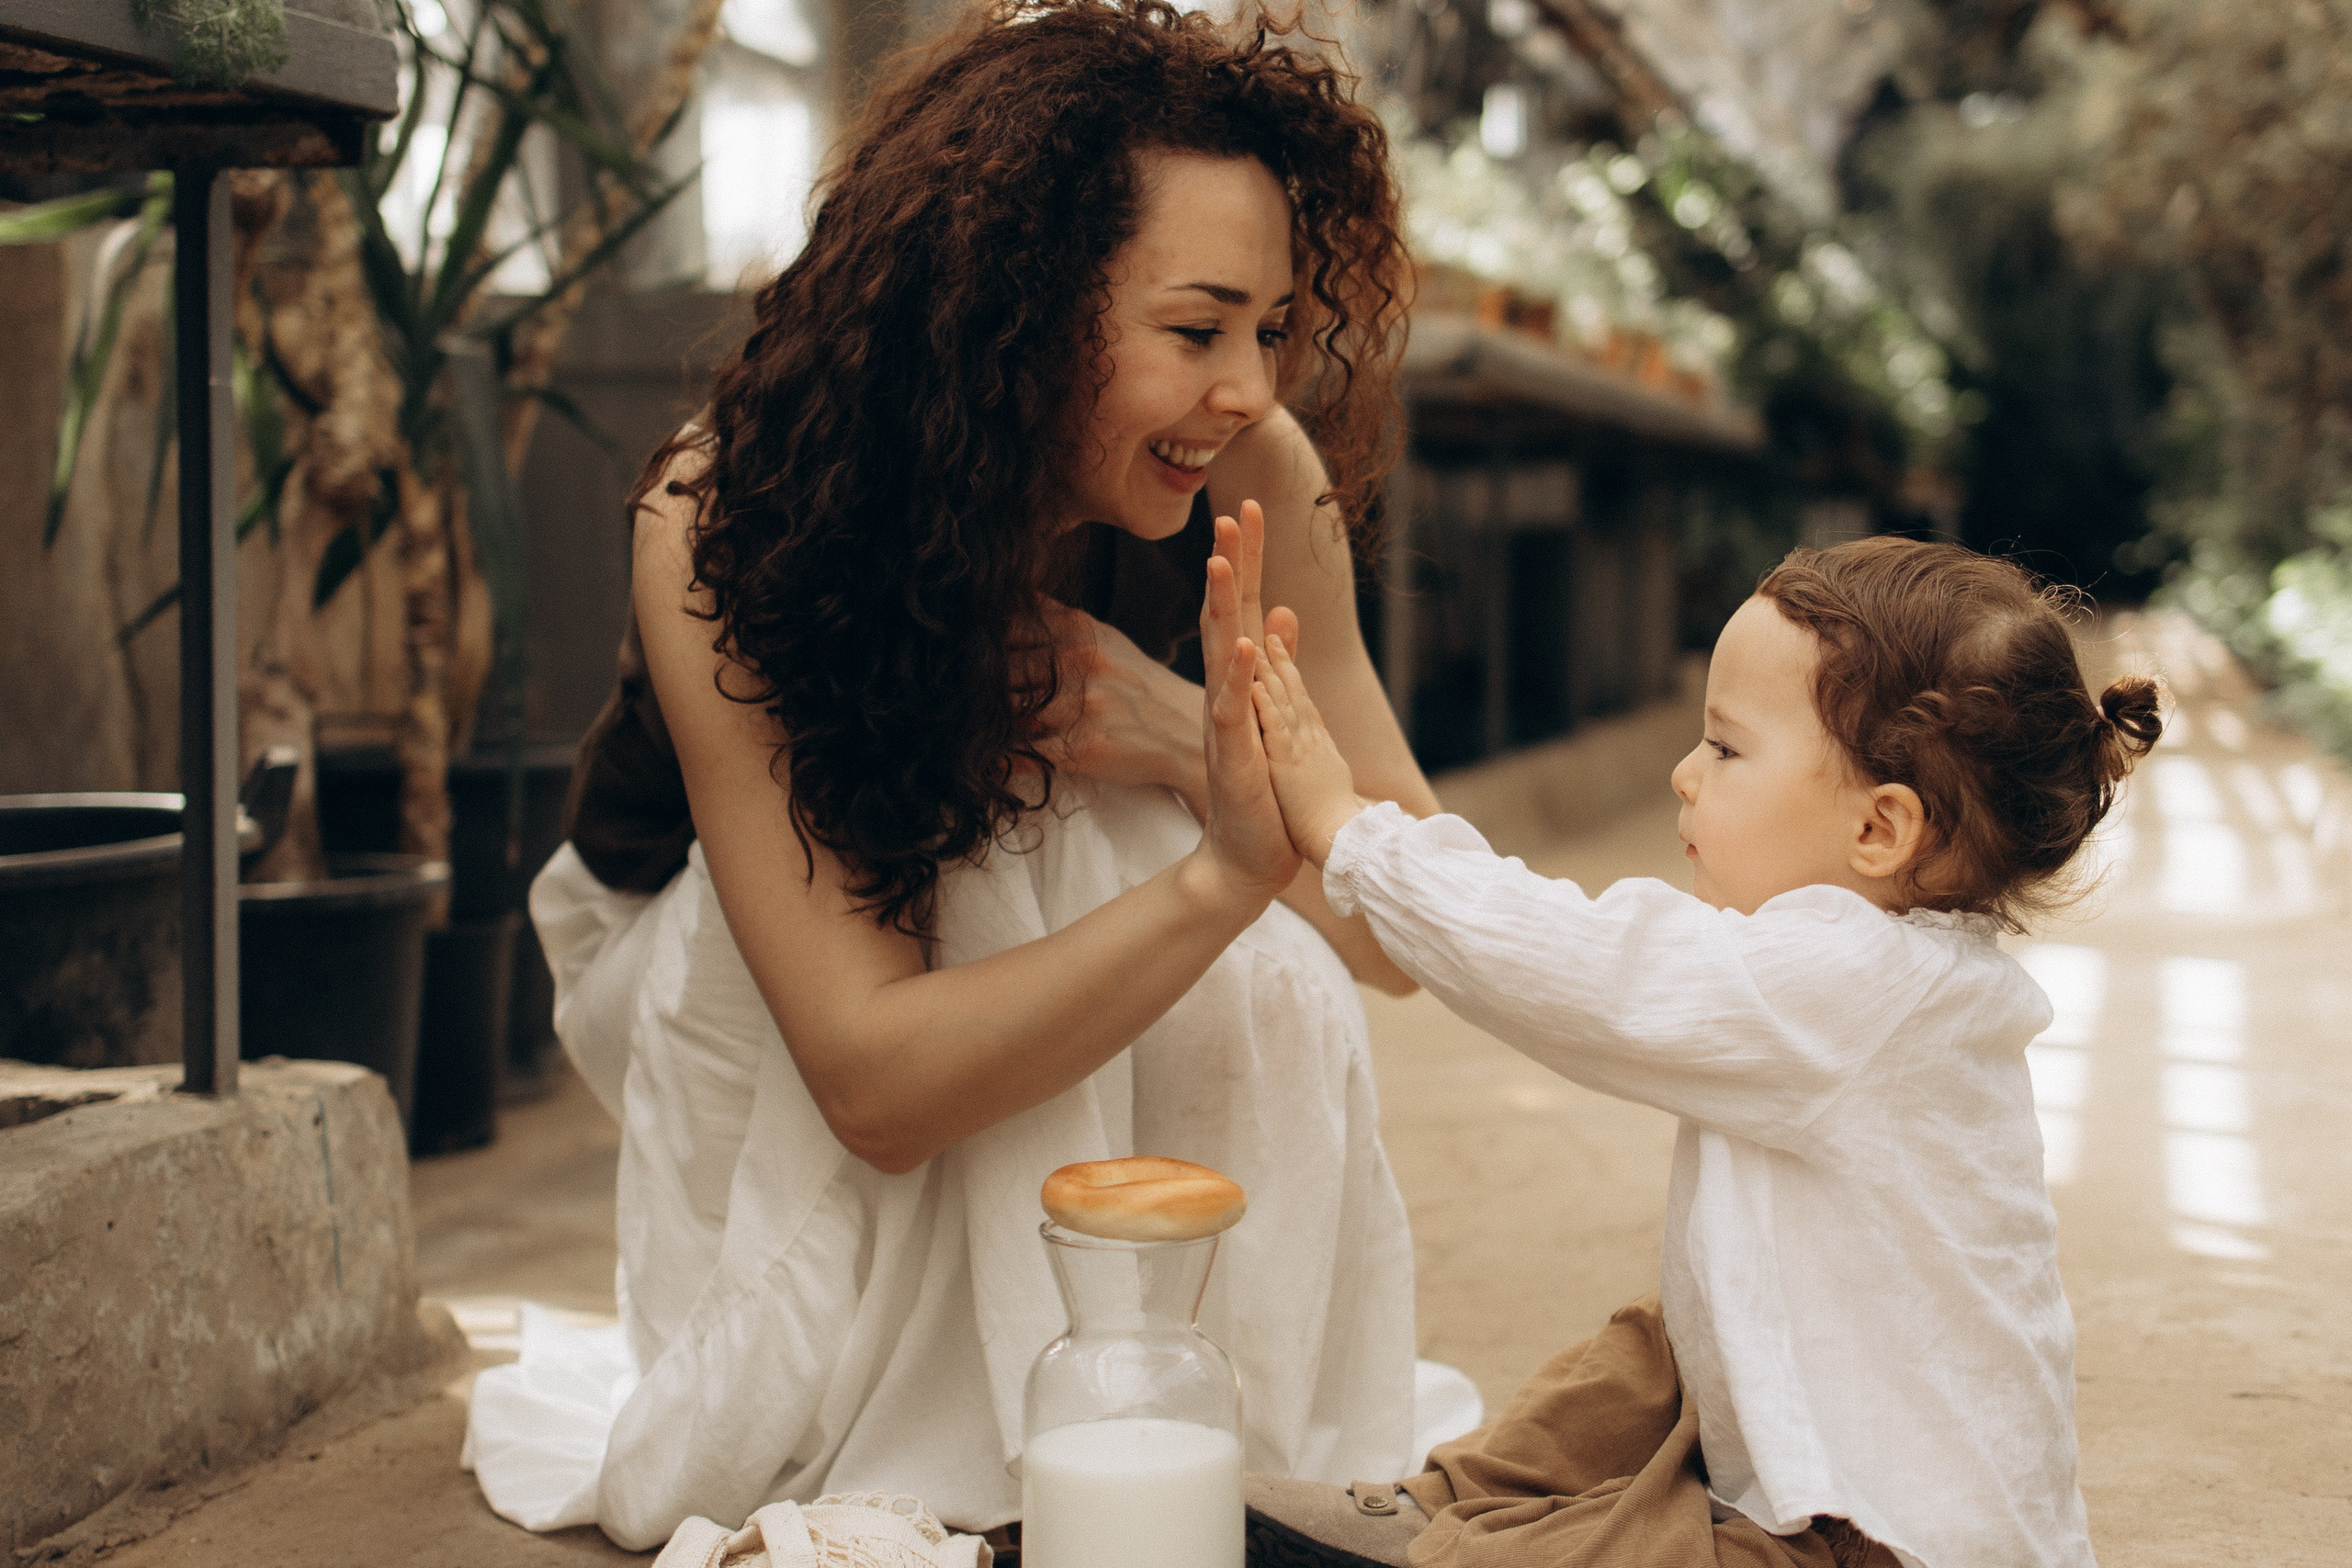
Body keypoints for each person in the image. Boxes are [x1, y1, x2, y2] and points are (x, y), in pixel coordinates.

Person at [463, 0, 1476, 1551]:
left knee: (1133, 829)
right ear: (1015, 308)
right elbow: (869, 1080)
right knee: (1059, 836)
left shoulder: (1257, 477)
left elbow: (1397, 931)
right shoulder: (725, 510)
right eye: (1195, 328)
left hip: (1000, 920)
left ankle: (1171, 1392)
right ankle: (999, 1422)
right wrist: (1219, 863)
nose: (1246, 385)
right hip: (714, 962)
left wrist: (1179, 744)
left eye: (1269, 327)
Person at [1238, 536, 2161, 1567]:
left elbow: (1583, 966)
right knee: (1655, 1344)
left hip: (1882, 1546)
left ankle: (1453, 1549)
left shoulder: (1847, 982)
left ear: (1879, 830)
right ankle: (1447, 1505)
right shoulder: (1904, 974)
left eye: (1723, 749)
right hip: (1819, 1478)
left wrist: (1346, 829)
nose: (1683, 773)